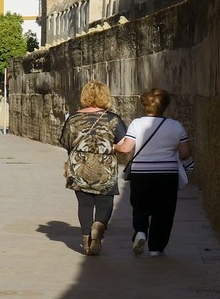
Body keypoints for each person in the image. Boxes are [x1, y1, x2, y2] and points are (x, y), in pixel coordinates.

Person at [114, 86, 194, 257]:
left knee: (140, 205)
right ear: (165, 106)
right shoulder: (176, 126)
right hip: (167, 174)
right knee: (164, 210)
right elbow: (186, 153)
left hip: (141, 174)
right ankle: (156, 248)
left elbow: (126, 148)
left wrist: (114, 146)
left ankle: (141, 231)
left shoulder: (137, 124)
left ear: (145, 105)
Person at [58, 79, 127, 255]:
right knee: (105, 203)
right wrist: (112, 147)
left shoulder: (74, 119)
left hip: (79, 166)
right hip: (105, 168)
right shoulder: (113, 119)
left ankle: (86, 241)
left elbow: (66, 143)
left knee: (85, 204)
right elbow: (123, 144)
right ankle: (99, 227)